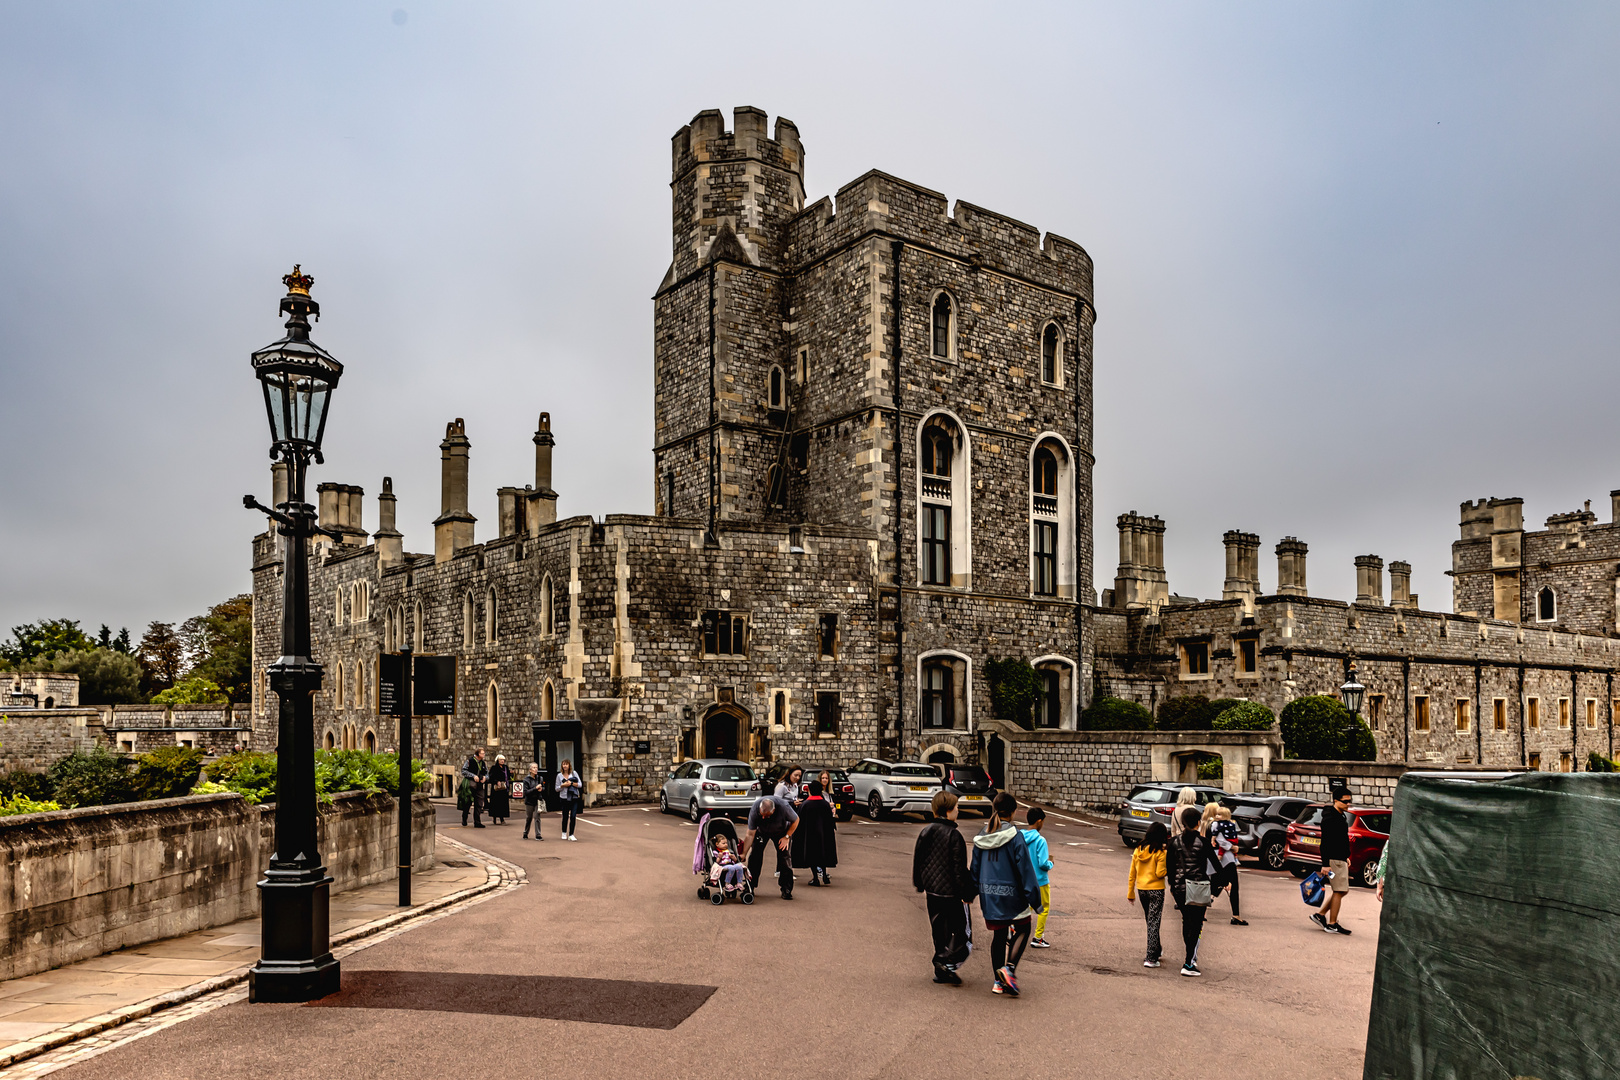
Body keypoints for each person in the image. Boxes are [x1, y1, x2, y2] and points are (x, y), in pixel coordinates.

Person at [971, 792, 1043, 997]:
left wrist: (972, 891)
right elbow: (1025, 870)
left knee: (999, 934)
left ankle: (997, 981)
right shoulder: (1015, 836)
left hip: (989, 895)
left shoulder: (982, 834)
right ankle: (1009, 969)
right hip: (1012, 894)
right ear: (1012, 812)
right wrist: (1034, 899)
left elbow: (974, 868)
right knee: (1023, 928)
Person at [913, 789, 976, 985]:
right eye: (956, 807)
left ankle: (941, 967)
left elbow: (919, 860)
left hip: (933, 891)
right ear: (948, 810)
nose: (958, 810)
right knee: (962, 932)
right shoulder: (954, 835)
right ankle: (946, 963)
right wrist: (968, 891)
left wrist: (920, 882)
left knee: (939, 930)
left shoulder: (925, 831)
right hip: (952, 893)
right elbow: (958, 868)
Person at [1167, 805, 1214, 977]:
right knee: (1197, 924)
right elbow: (1215, 866)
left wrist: (1172, 886)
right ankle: (1188, 962)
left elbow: (1170, 868)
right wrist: (1220, 884)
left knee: (1186, 921)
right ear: (1198, 822)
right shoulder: (1203, 842)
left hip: (1179, 888)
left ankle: (1189, 959)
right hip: (1198, 887)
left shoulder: (1173, 842)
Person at [1312, 788, 1354, 934]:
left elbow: (1340, 840)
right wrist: (1324, 864)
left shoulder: (1339, 815)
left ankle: (1320, 915)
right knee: (1340, 890)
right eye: (1345, 801)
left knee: (1341, 890)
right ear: (1336, 800)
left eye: (1350, 801)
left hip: (1339, 859)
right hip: (1334, 861)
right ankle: (1332, 924)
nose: (1348, 804)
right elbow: (1325, 843)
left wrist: (1345, 856)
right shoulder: (1330, 818)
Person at [1127, 821, 1169, 967]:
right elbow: (1160, 873)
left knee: (1150, 920)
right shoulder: (1161, 852)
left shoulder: (1139, 849)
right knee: (1154, 921)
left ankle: (1156, 948)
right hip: (1156, 889)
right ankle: (1151, 957)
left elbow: (1133, 872)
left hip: (1141, 889)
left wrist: (1130, 892)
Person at [743, 794, 800, 899]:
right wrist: (743, 853)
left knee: (785, 857)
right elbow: (750, 834)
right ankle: (749, 886)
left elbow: (796, 820)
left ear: (773, 811)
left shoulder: (784, 807)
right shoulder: (755, 809)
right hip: (761, 832)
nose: (764, 817)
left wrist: (787, 837)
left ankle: (786, 888)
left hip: (781, 832)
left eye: (767, 815)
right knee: (755, 856)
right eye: (762, 815)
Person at [791, 779, 838, 886]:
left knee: (812, 856)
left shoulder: (805, 805)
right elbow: (830, 820)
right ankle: (825, 875)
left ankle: (815, 878)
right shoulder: (825, 804)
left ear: (809, 791)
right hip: (824, 834)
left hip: (810, 835)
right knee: (823, 854)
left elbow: (799, 821)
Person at [1021, 807, 1055, 948]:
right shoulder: (1041, 841)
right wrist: (1051, 863)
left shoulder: (1021, 837)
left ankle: (1013, 926)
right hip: (1040, 880)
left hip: (1024, 879)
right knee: (1042, 908)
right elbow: (1042, 863)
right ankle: (1038, 937)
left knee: (1025, 906)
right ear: (1039, 821)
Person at [1208, 804, 1245, 925]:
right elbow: (1221, 840)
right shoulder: (1218, 825)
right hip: (1225, 858)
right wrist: (1233, 847)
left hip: (1216, 857)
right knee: (1233, 885)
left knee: (1215, 882)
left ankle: (1203, 910)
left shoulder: (1211, 824)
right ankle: (1236, 915)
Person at [460, 748, 488, 828]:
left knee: (479, 803)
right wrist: (473, 776)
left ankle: (477, 822)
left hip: (479, 785)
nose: (484, 755)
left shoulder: (483, 763)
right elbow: (464, 771)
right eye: (482, 753)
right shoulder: (470, 761)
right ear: (478, 754)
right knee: (468, 802)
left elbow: (487, 773)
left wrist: (485, 778)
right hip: (470, 785)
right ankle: (464, 818)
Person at [555, 760, 583, 840]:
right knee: (565, 816)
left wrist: (571, 783)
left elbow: (580, 785)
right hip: (564, 798)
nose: (565, 766)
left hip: (574, 797)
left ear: (569, 765)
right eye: (563, 764)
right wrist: (563, 785)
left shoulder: (574, 773)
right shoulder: (559, 776)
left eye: (566, 764)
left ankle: (571, 834)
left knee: (573, 816)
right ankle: (564, 832)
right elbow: (556, 788)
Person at [521, 761, 545, 841]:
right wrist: (535, 788)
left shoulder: (540, 778)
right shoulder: (526, 780)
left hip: (537, 800)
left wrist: (541, 789)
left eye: (536, 768)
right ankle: (525, 832)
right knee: (529, 818)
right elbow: (526, 792)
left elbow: (543, 787)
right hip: (529, 801)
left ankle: (538, 834)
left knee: (537, 817)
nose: (535, 769)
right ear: (530, 770)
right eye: (534, 768)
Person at [487, 754, 511, 825]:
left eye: (503, 760)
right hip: (496, 790)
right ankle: (495, 817)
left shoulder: (506, 768)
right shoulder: (494, 768)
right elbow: (491, 777)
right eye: (501, 760)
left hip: (503, 789)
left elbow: (508, 776)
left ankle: (502, 818)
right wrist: (496, 781)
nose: (502, 761)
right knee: (496, 804)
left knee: (502, 804)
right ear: (498, 760)